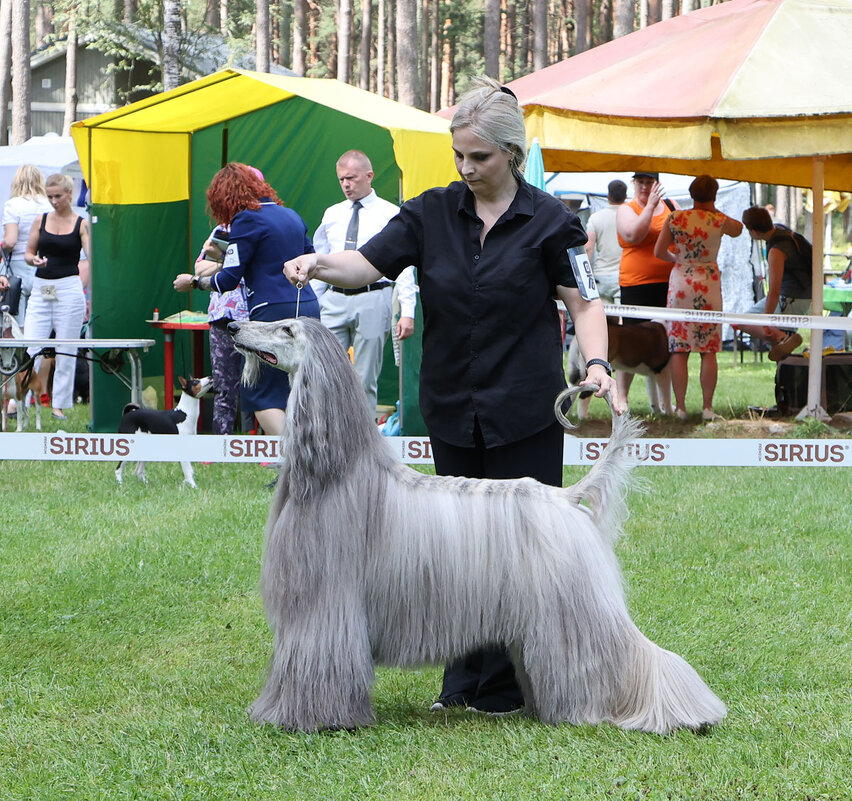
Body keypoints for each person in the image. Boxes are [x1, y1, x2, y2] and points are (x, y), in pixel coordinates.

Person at [284, 77, 618, 716]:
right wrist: (320, 264)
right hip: (451, 406)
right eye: (459, 154)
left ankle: (511, 686)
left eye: (480, 157)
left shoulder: (552, 222)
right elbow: (366, 267)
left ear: (511, 155)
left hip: (524, 408)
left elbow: (585, 302)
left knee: (523, 558)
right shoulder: (429, 212)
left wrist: (596, 363)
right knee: (454, 557)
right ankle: (460, 686)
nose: (467, 168)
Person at [173, 163, 319, 437]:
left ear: (226, 196)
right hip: (308, 308)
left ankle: (297, 460)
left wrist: (194, 282)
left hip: (270, 311)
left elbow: (227, 279)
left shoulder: (246, 220)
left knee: (260, 395)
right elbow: (311, 262)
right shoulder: (291, 215)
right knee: (300, 389)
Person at [311, 150, 417, 414]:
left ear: (369, 176)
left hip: (373, 296)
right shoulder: (332, 213)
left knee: (365, 378)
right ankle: (326, 433)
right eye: (341, 179)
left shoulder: (390, 213)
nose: (346, 184)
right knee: (323, 373)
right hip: (334, 298)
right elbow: (320, 258)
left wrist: (408, 311)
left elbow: (404, 265)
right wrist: (316, 301)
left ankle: (363, 441)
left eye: (351, 178)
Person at [654, 175, 743, 421]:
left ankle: (680, 408)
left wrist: (680, 261)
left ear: (691, 194)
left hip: (681, 280)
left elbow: (659, 251)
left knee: (679, 348)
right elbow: (739, 229)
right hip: (709, 284)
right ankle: (707, 408)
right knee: (708, 348)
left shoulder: (675, 218)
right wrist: (713, 210)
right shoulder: (720, 220)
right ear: (714, 195)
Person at [22, 173, 89, 421]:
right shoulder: (40, 220)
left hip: (69, 287)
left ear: (69, 194)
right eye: (49, 196)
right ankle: (24, 399)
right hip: (42, 287)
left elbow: (91, 257)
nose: (53, 201)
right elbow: (28, 252)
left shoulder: (81, 224)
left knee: (66, 347)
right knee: (30, 345)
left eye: (57, 196)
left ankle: (59, 404)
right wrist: (33, 260)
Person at [615, 171, 678, 405]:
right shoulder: (626, 208)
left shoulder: (671, 205)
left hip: (668, 284)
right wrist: (650, 207)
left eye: (649, 182)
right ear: (634, 183)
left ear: (657, 184)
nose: (644, 186)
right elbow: (633, 235)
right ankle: (622, 398)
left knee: (665, 343)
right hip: (636, 284)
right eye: (640, 182)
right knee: (631, 343)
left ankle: (664, 402)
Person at [735, 206, 811, 362]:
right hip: (799, 295)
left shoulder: (776, 250)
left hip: (790, 298)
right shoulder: (782, 231)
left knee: (781, 353)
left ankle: (783, 338)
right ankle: (782, 339)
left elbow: (774, 290)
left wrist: (766, 321)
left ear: (754, 231)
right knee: (740, 321)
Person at [193, 224, 249, 434]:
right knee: (223, 385)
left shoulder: (255, 227)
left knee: (255, 384)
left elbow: (249, 266)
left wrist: (219, 260)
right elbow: (199, 269)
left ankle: (258, 444)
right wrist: (225, 260)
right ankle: (220, 443)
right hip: (220, 315)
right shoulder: (220, 230)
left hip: (251, 316)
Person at [3, 164, 52, 327]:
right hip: (46, 267)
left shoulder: (13, 205)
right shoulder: (50, 205)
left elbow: (10, 241)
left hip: (19, 269)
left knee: (16, 320)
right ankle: (43, 351)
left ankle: (21, 351)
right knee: (47, 314)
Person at [584, 179, 627, 303]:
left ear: (608, 196)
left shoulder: (595, 218)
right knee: (623, 318)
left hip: (601, 275)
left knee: (603, 318)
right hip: (623, 276)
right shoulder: (632, 217)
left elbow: (588, 248)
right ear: (625, 197)